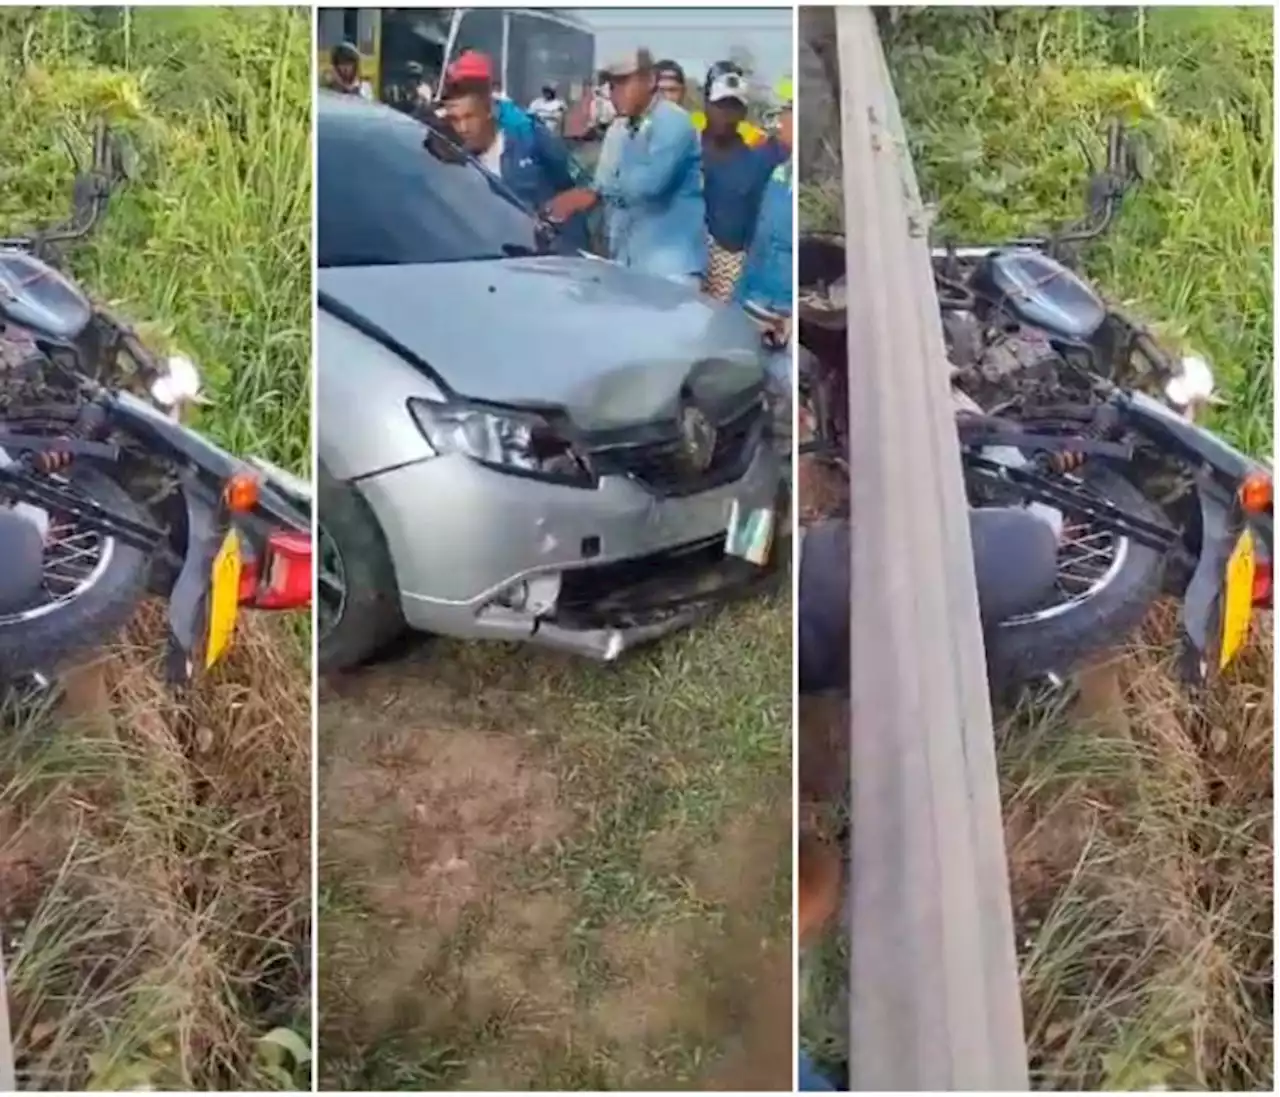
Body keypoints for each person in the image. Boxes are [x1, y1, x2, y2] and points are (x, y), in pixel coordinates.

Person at [543, 49, 705, 284]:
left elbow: (648, 185)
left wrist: (593, 192)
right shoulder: (619, 129)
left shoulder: (674, 122)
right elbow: (605, 183)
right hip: (628, 264)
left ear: (650, 81)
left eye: (623, 82)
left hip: (671, 268)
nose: (614, 93)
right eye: (611, 85)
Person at [441, 59, 590, 252]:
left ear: (488, 111)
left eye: (469, 117)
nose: (462, 128)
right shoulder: (456, 164)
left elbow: (580, 188)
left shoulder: (531, 138)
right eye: (455, 120)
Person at [737, 79, 794, 429]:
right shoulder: (777, 171)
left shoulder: (812, 186)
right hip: (754, 306)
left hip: (785, 319)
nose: (781, 121)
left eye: (787, 113)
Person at [700, 63, 774, 302]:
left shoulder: (757, 161)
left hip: (730, 274)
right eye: (720, 106)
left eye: (734, 108)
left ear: (743, 113)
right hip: (687, 264)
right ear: (707, 105)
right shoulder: (685, 149)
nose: (727, 116)